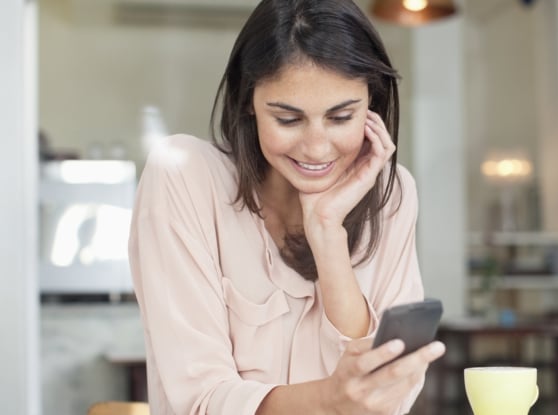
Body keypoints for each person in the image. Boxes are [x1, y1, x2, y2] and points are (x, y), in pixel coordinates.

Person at [127, 1, 446, 414]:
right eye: (288, 120)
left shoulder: (392, 194)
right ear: (247, 102)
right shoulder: (186, 177)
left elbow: (387, 393)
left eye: (341, 117)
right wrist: (331, 399)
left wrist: (329, 233)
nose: (316, 148)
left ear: (371, 106)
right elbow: (198, 400)